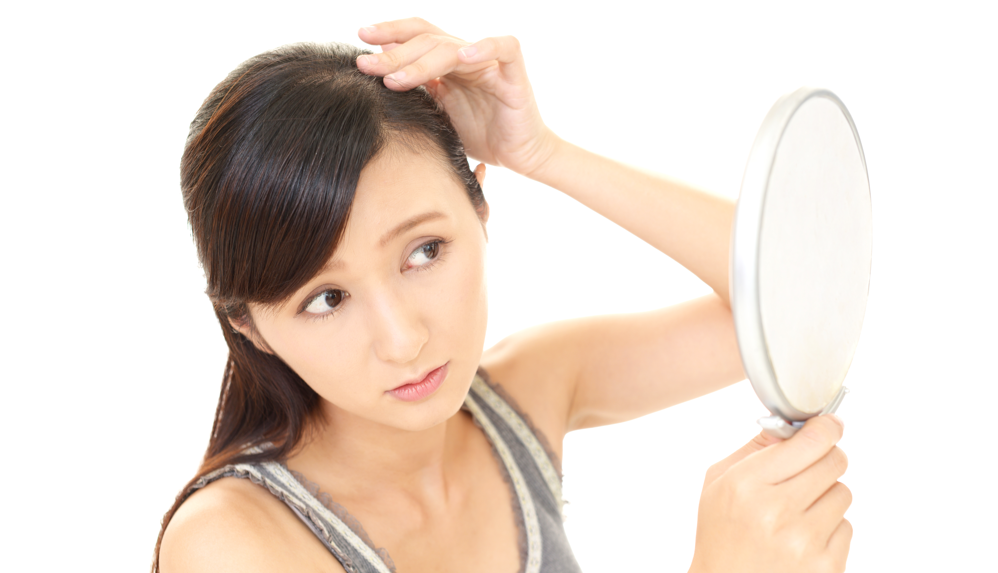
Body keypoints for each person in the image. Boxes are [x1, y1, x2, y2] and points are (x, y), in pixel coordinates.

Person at [155, 17, 852, 573]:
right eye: (326, 299)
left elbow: (796, 292)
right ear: (248, 326)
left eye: (424, 251)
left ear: (479, 209)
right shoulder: (229, 544)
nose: (403, 338)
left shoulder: (525, 393)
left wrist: (542, 152)